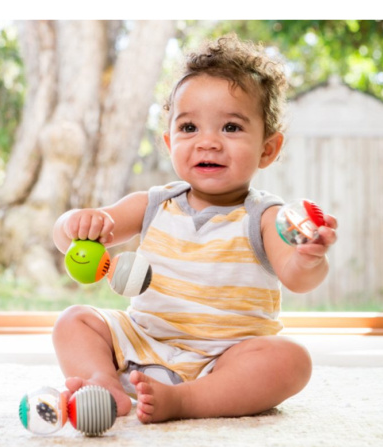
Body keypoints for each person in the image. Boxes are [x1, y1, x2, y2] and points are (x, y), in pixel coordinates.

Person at [52, 35, 338, 424]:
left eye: (231, 127)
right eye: (189, 127)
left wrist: (309, 257)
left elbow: (298, 277)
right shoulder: (153, 204)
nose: (208, 143)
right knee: (73, 321)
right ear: (169, 142)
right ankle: (103, 381)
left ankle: (187, 400)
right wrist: (75, 223)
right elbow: (70, 240)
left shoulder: (264, 216)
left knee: (291, 360)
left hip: (225, 360)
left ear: (267, 149)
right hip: (142, 339)